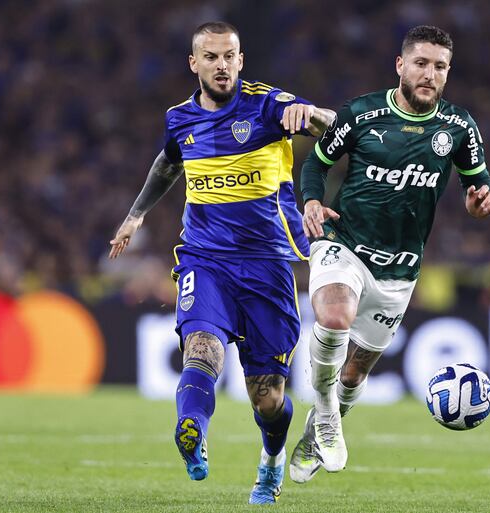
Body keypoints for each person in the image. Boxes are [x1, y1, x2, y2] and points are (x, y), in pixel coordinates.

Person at [108, 21, 334, 504]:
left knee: (267, 397)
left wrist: (310, 116)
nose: (221, 65)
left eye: (229, 56)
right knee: (200, 349)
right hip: (205, 258)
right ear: (195, 63)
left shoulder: (268, 104)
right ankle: (192, 432)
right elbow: (168, 162)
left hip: (269, 265)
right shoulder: (180, 119)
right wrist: (136, 215)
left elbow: (333, 127)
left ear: (241, 59)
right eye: (210, 57)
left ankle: (271, 463)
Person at [290, 25, 490, 483]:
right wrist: (310, 200)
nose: (430, 74)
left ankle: (314, 434)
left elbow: (477, 187)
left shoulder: (458, 127)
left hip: (400, 267)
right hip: (343, 241)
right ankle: (324, 412)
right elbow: (317, 163)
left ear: (448, 73)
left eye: (439, 67)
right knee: (334, 318)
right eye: (421, 63)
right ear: (401, 65)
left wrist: (479, 203)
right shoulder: (361, 114)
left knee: (355, 370)